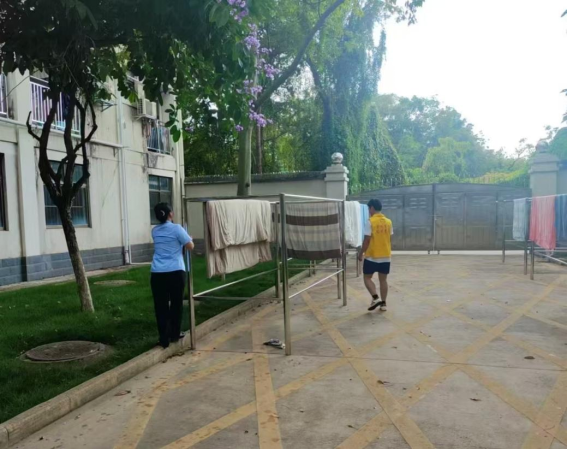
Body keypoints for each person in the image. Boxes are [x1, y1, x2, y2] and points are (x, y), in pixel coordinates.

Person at [150, 202, 194, 348]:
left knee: (160, 306)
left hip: (157, 273)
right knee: (176, 304)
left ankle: (163, 338)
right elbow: (190, 246)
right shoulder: (177, 228)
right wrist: (188, 238)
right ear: (170, 214)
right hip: (176, 271)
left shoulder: (154, 231)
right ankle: (174, 334)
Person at [358, 199, 393, 312]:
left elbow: (367, 240)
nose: (369, 211)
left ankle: (375, 297)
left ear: (372, 208)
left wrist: (361, 253)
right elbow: (389, 237)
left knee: (367, 278)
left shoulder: (370, 222)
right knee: (383, 280)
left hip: (372, 256)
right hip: (386, 256)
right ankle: (383, 304)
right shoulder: (388, 222)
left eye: (369, 209)